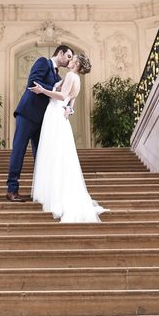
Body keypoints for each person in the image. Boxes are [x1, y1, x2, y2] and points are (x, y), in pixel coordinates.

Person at [28, 53, 107, 222]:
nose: (70, 61)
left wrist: (43, 90)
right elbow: (71, 102)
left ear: (77, 63)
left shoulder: (71, 75)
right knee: (60, 154)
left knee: (54, 154)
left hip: (55, 113)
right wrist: (69, 110)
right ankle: (56, 192)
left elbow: (63, 96)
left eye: (73, 59)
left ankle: (55, 196)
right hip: (60, 115)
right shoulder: (77, 80)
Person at [5, 45, 73, 202]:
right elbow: (33, 82)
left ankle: (41, 192)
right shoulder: (43, 62)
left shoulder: (58, 75)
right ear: (60, 53)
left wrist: (69, 108)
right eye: (68, 56)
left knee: (41, 155)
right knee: (19, 151)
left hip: (43, 120)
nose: (69, 60)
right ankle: (12, 190)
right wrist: (53, 88)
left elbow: (61, 96)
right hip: (27, 114)